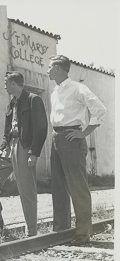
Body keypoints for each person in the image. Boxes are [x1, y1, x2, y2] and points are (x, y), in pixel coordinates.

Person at [0, 71, 48, 236]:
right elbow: (6, 130)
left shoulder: (33, 100)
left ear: (14, 84)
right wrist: (2, 148)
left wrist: (34, 152)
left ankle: (31, 230)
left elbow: (41, 128)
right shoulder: (11, 103)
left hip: (24, 147)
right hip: (10, 147)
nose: (4, 86)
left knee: (26, 188)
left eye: (6, 83)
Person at [47, 55, 107, 245]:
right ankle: (61, 230)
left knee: (77, 187)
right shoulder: (54, 92)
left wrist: (85, 133)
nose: (47, 71)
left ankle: (83, 234)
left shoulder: (78, 88)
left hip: (72, 139)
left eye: (50, 67)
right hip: (57, 138)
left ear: (58, 68)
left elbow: (100, 110)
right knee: (58, 187)